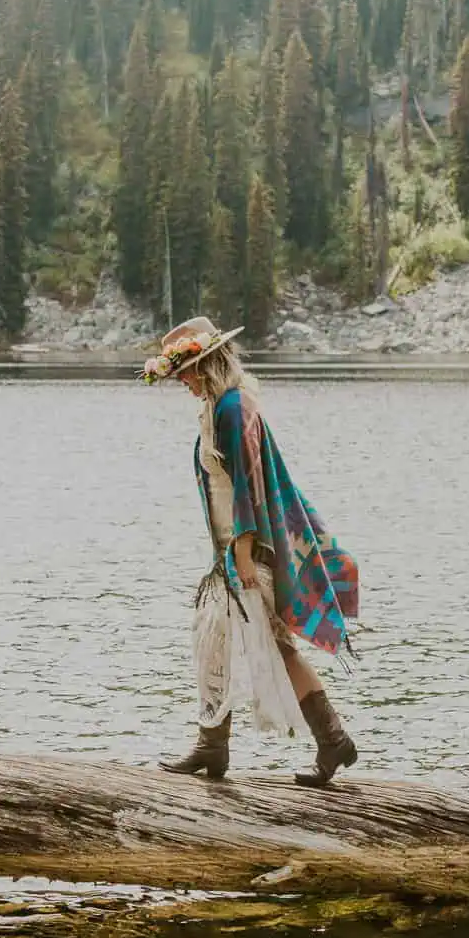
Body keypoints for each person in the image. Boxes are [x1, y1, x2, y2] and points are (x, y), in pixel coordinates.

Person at [141, 316, 361, 788]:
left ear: (208, 364)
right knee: (256, 644)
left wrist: (241, 556)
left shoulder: (232, 410)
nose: (182, 380)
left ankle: (218, 744)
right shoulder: (225, 405)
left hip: (245, 553)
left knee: (225, 641)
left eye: (188, 369)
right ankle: (327, 740)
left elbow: (246, 487)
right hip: (234, 551)